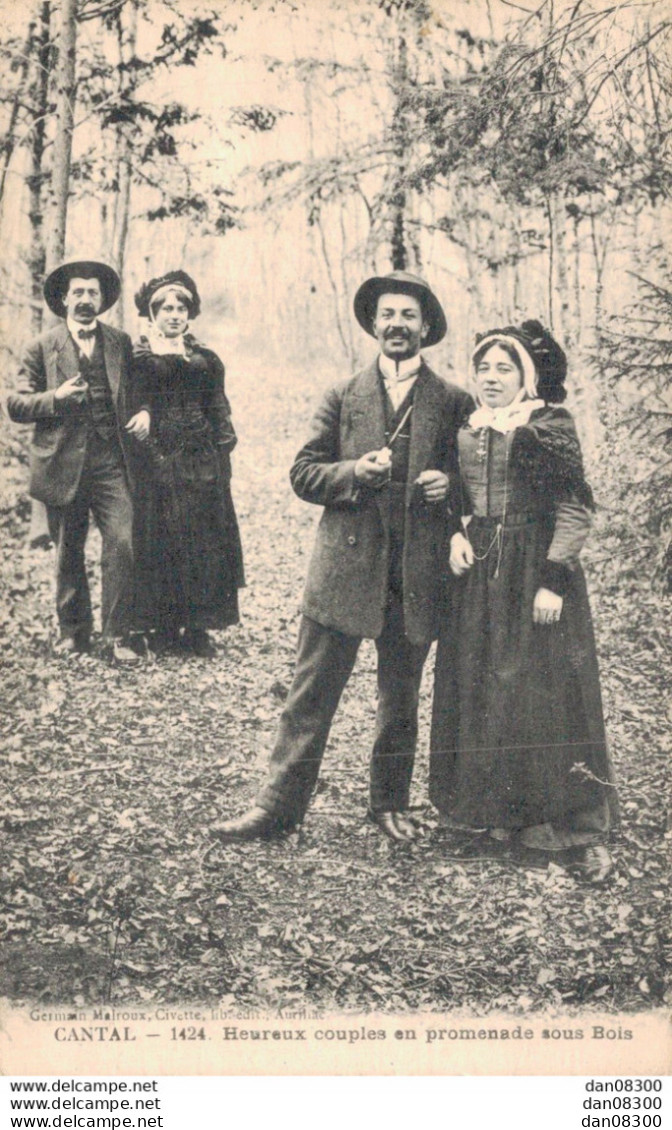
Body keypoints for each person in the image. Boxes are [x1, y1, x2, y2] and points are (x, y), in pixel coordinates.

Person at [214, 270, 473, 843]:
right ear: (373, 325)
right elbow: (303, 473)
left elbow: (479, 483)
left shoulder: (454, 400)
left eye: (409, 315)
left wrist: (447, 486)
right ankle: (277, 807)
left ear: (426, 326)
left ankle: (388, 805)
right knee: (309, 695)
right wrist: (353, 472)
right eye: (388, 315)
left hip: (416, 573)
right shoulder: (342, 394)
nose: (397, 325)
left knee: (400, 698)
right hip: (344, 571)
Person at [429, 320, 617, 883]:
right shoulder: (469, 426)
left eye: (504, 368)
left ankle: (561, 823)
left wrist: (553, 580)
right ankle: (493, 815)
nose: (491, 378)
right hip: (483, 571)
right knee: (484, 681)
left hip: (535, 568)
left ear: (526, 376)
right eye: (483, 368)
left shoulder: (547, 425)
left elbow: (575, 505)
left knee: (541, 688)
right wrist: (456, 534)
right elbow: (455, 494)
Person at [7, 260, 139, 664]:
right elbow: (15, 403)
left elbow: (137, 392)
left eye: (92, 293)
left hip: (110, 464)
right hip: (61, 464)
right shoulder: (41, 347)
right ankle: (73, 633)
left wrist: (146, 411)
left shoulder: (120, 342)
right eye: (78, 292)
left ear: (103, 300)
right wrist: (55, 399)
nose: (85, 300)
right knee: (68, 551)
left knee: (122, 542)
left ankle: (117, 635)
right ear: (64, 299)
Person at [126, 270, 244, 658]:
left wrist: (223, 443)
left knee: (204, 539)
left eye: (181, 308)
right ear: (152, 313)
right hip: (157, 457)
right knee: (162, 539)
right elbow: (133, 398)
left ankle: (197, 627)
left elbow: (217, 403)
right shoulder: (139, 358)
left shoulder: (204, 358)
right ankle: (163, 626)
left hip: (201, 457)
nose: (175, 314)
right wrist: (142, 414)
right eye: (166, 308)